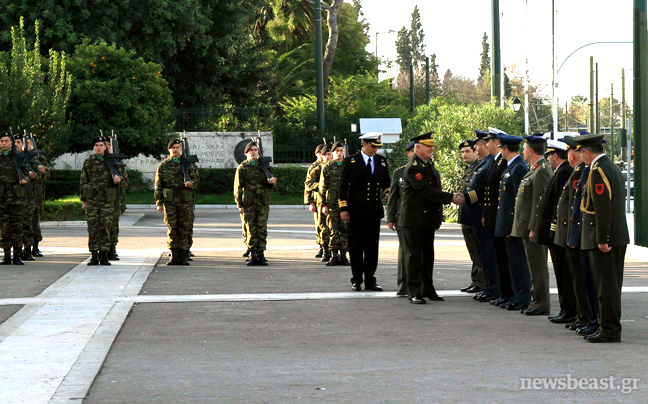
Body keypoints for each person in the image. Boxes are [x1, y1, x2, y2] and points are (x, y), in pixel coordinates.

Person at [575, 134, 629, 343]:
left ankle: (609, 329)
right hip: (614, 236)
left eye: (581, 153)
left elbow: (603, 208)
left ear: (586, 152)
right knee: (607, 285)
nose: (581, 157)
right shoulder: (610, 166)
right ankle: (605, 326)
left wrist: (602, 238)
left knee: (606, 286)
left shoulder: (598, 171)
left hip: (608, 238)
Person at [399, 132, 463, 304]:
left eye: (432, 146)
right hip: (413, 220)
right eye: (428, 146)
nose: (431, 149)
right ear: (417, 148)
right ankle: (413, 292)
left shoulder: (427, 165)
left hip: (426, 220)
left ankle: (427, 288)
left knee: (428, 256)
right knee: (413, 257)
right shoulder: (413, 167)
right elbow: (426, 191)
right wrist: (451, 197)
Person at [339, 132, 391, 291]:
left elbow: (386, 182)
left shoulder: (381, 161)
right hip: (355, 211)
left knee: (371, 247)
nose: (375, 150)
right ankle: (356, 279)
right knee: (355, 247)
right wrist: (343, 208)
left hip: (373, 211)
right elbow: (342, 186)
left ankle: (370, 280)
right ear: (365, 144)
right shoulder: (351, 161)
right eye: (373, 146)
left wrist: (387, 192)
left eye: (377, 147)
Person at [534, 139, 578, 322]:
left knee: (564, 273)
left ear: (554, 155)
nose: (548, 159)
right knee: (561, 273)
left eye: (550, 155)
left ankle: (569, 311)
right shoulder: (560, 171)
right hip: (555, 231)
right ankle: (565, 310)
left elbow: (559, 206)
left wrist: (552, 229)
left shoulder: (564, 172)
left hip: (558, 232)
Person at [554, 135, 593, 334]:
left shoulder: (580, 173)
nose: (570, 155)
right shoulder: (577, 172)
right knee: (577, 279)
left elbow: (576, 209)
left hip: (576, 236)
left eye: (572, 151)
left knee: (580, 279)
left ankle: (584, 317)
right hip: (572, 234)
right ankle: (581, 316)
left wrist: (572, 236)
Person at [512, 135, 553, 316]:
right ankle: (536, 299)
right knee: (533, 265)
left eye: (524, 149)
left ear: (530, 151)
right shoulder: (535, 169)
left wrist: (534, 227)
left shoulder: (542, 170)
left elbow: (540, 203)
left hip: (532, 228)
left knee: (538, 267)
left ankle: (541, 302)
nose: (523, 152)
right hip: (527, 226)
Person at [462, 130, 500, 302]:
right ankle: (489, 288)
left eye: (477, 144)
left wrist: (464, 198)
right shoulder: (484, 163)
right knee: (484, 255)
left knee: (489, 255)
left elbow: (485, 191)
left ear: (486, 144)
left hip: (482, 215)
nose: (475, 146)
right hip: (475, 215)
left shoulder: (490, 163)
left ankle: (491, 288)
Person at [494, 132, 531, 312]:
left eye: (501, 148)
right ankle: (514, 295)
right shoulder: (511, 166)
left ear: (506, 149)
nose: (500, 151)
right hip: (506, 224)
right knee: (511, 262)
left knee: (518, 262)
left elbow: (519, 200)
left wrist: (516, 225)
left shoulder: (518, 168)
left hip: (512, 225)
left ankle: (522, 296)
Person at [480, 128, 512, 307]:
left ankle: (506, 291)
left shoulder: (503, 163)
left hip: (500, 217)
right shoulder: (495, 161)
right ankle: (503, 292)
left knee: (503, 257)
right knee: (498, 256)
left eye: (490, 141)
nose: (486, 144)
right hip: (493, 216)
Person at [155, 139, 198, 266]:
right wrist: (159, 202)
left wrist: (192, 183)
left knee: (185, 228)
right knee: (172, 228)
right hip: (170, 202)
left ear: (181, 149)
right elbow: (158, 185)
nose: (175, 149)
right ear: (169, 150)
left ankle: (184, 255)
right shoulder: (163, 165)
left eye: (177, 147)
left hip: (185, 201)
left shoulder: (188, 164)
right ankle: (174, 255)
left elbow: (197, 180)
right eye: (173, 147)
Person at [80, 136, 122, 266]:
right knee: (93, 228)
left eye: (101, 145)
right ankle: (93, 255)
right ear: (93, 148)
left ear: (106, 147)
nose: (98, 147)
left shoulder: (112, 162)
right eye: (96, 145)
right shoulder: (88, 161)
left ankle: (104, 255)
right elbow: (83, 181)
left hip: (107, 201)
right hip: (92, 200)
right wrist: (84, 200)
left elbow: (124, 180)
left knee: (105, 227)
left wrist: (118, 180)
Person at [234, 141, 277, 266]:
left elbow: (272, 187)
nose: (253, 152)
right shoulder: (242, 167)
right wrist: (239, 204)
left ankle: (261, 253)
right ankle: (253, 253)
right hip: (249, 203)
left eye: (255, 150)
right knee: (251, 229)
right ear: (246, 153)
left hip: (262, 202)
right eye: (251, 150)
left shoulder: (264, 166)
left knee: (261, 229)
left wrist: (273, 182)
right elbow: (238, 187)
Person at [386, 141, 416, 296]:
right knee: (405, 251)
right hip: (402, 218)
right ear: (408, 154)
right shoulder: (399, 173)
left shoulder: (429, 171)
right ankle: (403, 285)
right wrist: (390, 218)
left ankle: (420, 285)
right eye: (412, 151)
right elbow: (393, 198)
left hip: (421, 218)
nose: (415, 153)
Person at [457, 138, 485, 294]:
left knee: (479, 251)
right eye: (462, 152)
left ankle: (481, 282)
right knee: (473, 251)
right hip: (466, 216)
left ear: (476, 151)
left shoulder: (478, 169)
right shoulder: (469, 169)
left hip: (474, 216)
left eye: (467, 151)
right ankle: (475, 280)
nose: (464, 155)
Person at [318, 142, 349, 266]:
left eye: (341, 151)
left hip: (346, 204)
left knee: (345, 230)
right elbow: (322, 188)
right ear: (333, 152)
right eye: (337, 151)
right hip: (332, 203)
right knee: (333, 230)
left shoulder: (348, 166)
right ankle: (334, 254)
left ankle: (344, 255)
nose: (339, 153)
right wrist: (324, 205)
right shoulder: (328, 167)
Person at [0, 132, 29, 265]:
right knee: (4, 227)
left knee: (17, 226)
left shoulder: (17, 158)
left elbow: (27, 172)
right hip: (2, 197)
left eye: (6, 141)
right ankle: (6, 255)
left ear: (11, 143)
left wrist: (25, 179)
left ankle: (17, 255)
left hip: (16, 197)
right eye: (1, 141)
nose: (3, 143)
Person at [304, 144, 330, 261]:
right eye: (321, 153)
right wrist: (310, 202)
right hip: (318, 199)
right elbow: (307, 186)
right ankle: (322, 246)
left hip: (331, 200)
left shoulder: (333, 166)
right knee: (320, 225)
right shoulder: (315, 167)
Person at [15, 134, 38, 261]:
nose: (17, 144)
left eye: (19, 142)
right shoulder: (9, 159)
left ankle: (28, 250)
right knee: (14, 225)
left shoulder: (29, 159)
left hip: (28, 197)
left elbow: (39, 177)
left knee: (27, 225)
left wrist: (33, 176)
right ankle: (14, 251)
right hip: (12, 197)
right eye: (16, 142)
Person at [108, 140, 128, 261]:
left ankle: (112, 248)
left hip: (114, 200)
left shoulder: (119, 165)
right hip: (100, 200)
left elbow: (126, 183)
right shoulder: (95, 162)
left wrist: (119, 180)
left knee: (113, 225)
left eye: (109, 146)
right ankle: (102, 249)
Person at [28, 137, 48, 257]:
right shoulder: (22, 158)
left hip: (37, 195)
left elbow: (47, 176)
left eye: (30, 143)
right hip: (24, 195)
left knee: (35, 222)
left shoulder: (39, 158)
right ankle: (25, 248)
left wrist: (42, 172)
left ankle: (35, 246)